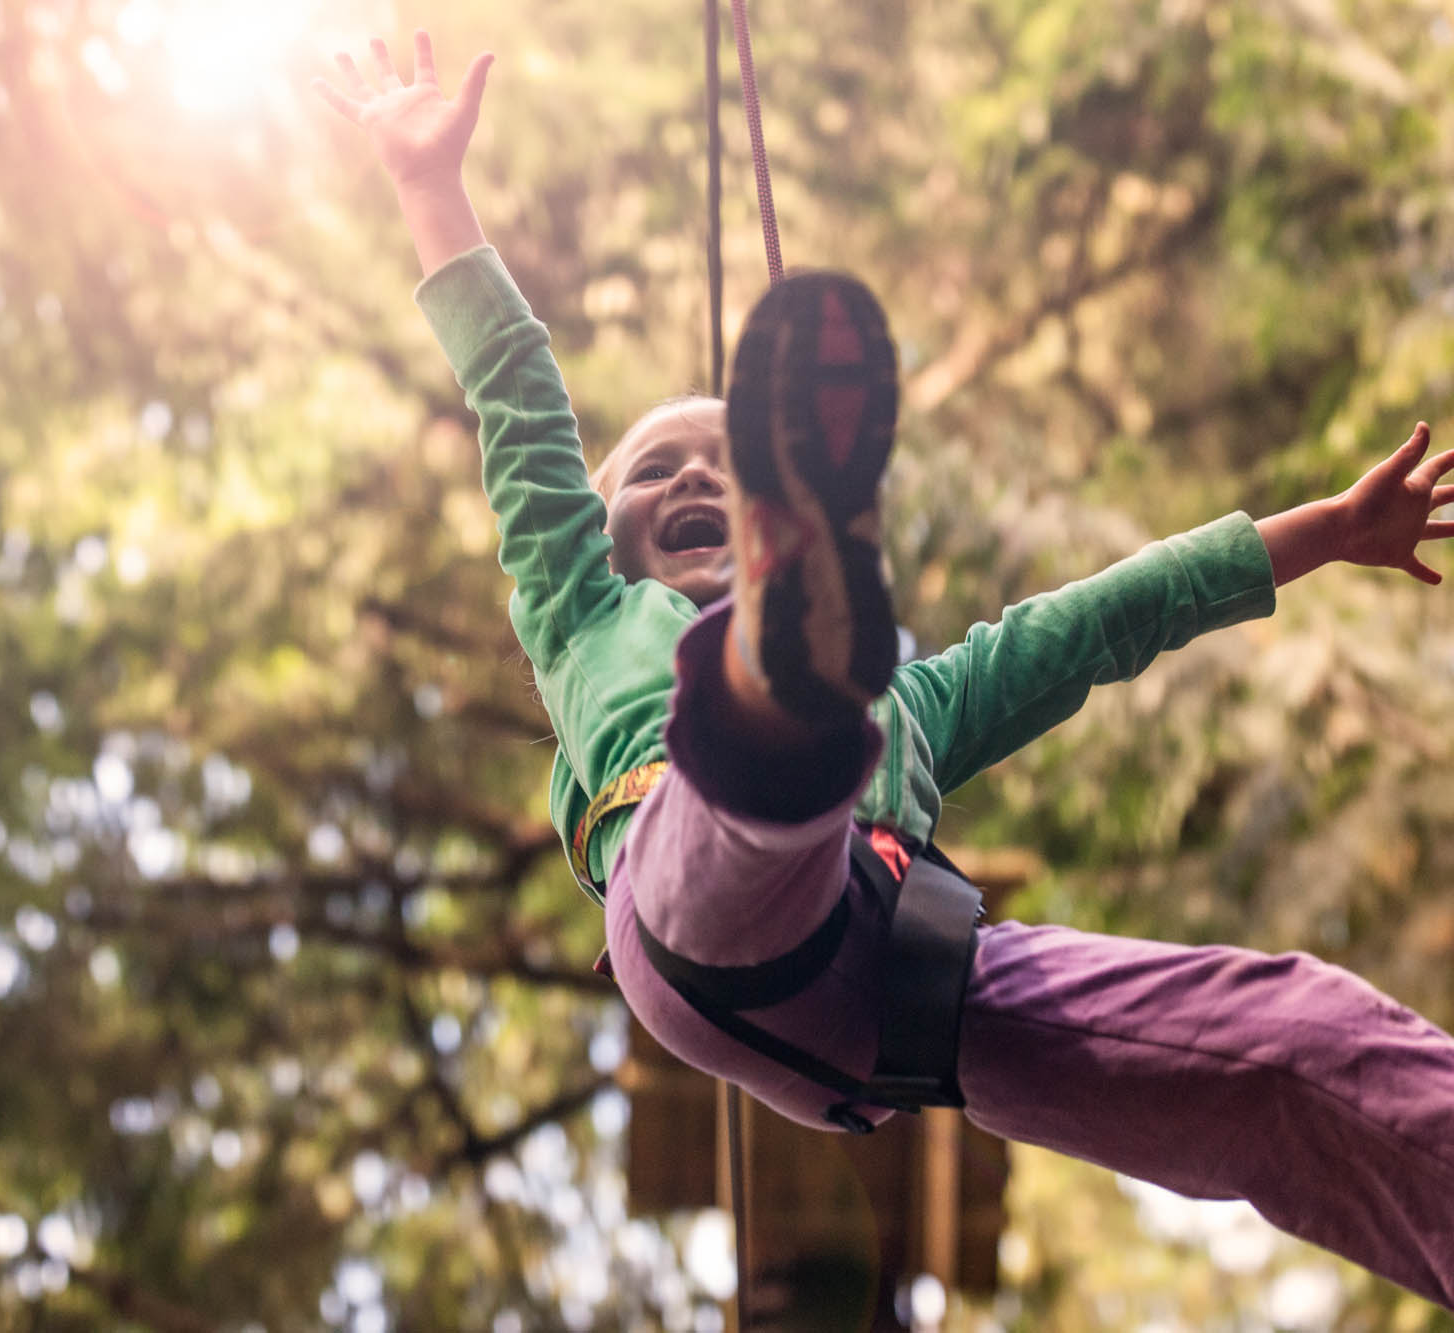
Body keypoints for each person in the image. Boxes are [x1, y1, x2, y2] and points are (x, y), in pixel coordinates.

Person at [316, 32, 1454, 1305]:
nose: (693, 475)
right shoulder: (582, 612)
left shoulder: (913, 710)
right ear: (596, 534)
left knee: (1294, 1042)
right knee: (774, 739)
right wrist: (429, 187)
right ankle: (779, 692)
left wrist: (1322, 535)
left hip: (911, 996)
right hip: (703, 891)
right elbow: (515, 395)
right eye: (654, 470)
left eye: (734, 470)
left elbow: (1096, 624)